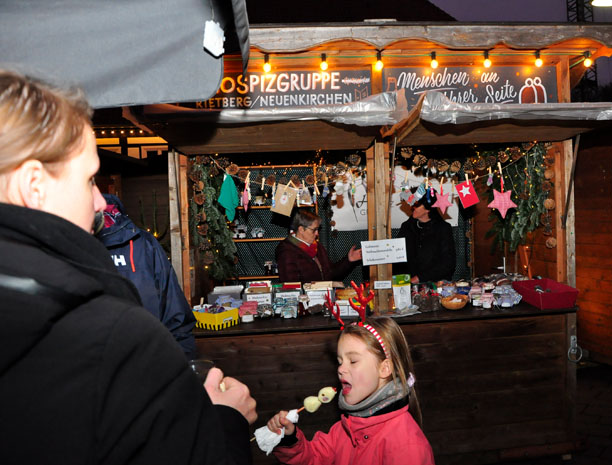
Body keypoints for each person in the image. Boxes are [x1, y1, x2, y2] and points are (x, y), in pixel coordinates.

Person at [0, 69, 256, 464]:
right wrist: (224, 421)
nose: (102, 202)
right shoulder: (108, 335)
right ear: (34, 186)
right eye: (89, 180)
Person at [266, 316, 434, 464]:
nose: (341, 369)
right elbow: (313, 458)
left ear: (384, 369)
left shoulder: (407, 446)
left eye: (353, 361)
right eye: (340, 362)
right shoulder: (345, 428)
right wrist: (289, 439)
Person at [96, 193, 197, 358]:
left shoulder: (144, 244)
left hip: (143, 361)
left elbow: (175, 314)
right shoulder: (145, 243)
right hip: (147, 360)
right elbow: (176, 316)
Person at [275, 209, 362, 283]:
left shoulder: (317, 246)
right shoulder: (287, 251)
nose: (317, 233)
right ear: (301, 229)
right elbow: (291, 285)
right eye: (314, 230)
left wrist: (349, 260)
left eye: (318, 229)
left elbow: (331, 274)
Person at [395, 193, 456, 284]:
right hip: (408, 282)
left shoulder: (442, 228)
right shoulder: (407, 227)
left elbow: (448, 263)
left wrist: (420, 278)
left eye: (416, 205)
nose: (412, 207)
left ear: (428, 209)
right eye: (411, 203)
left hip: (435, 283)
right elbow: (397, 255)